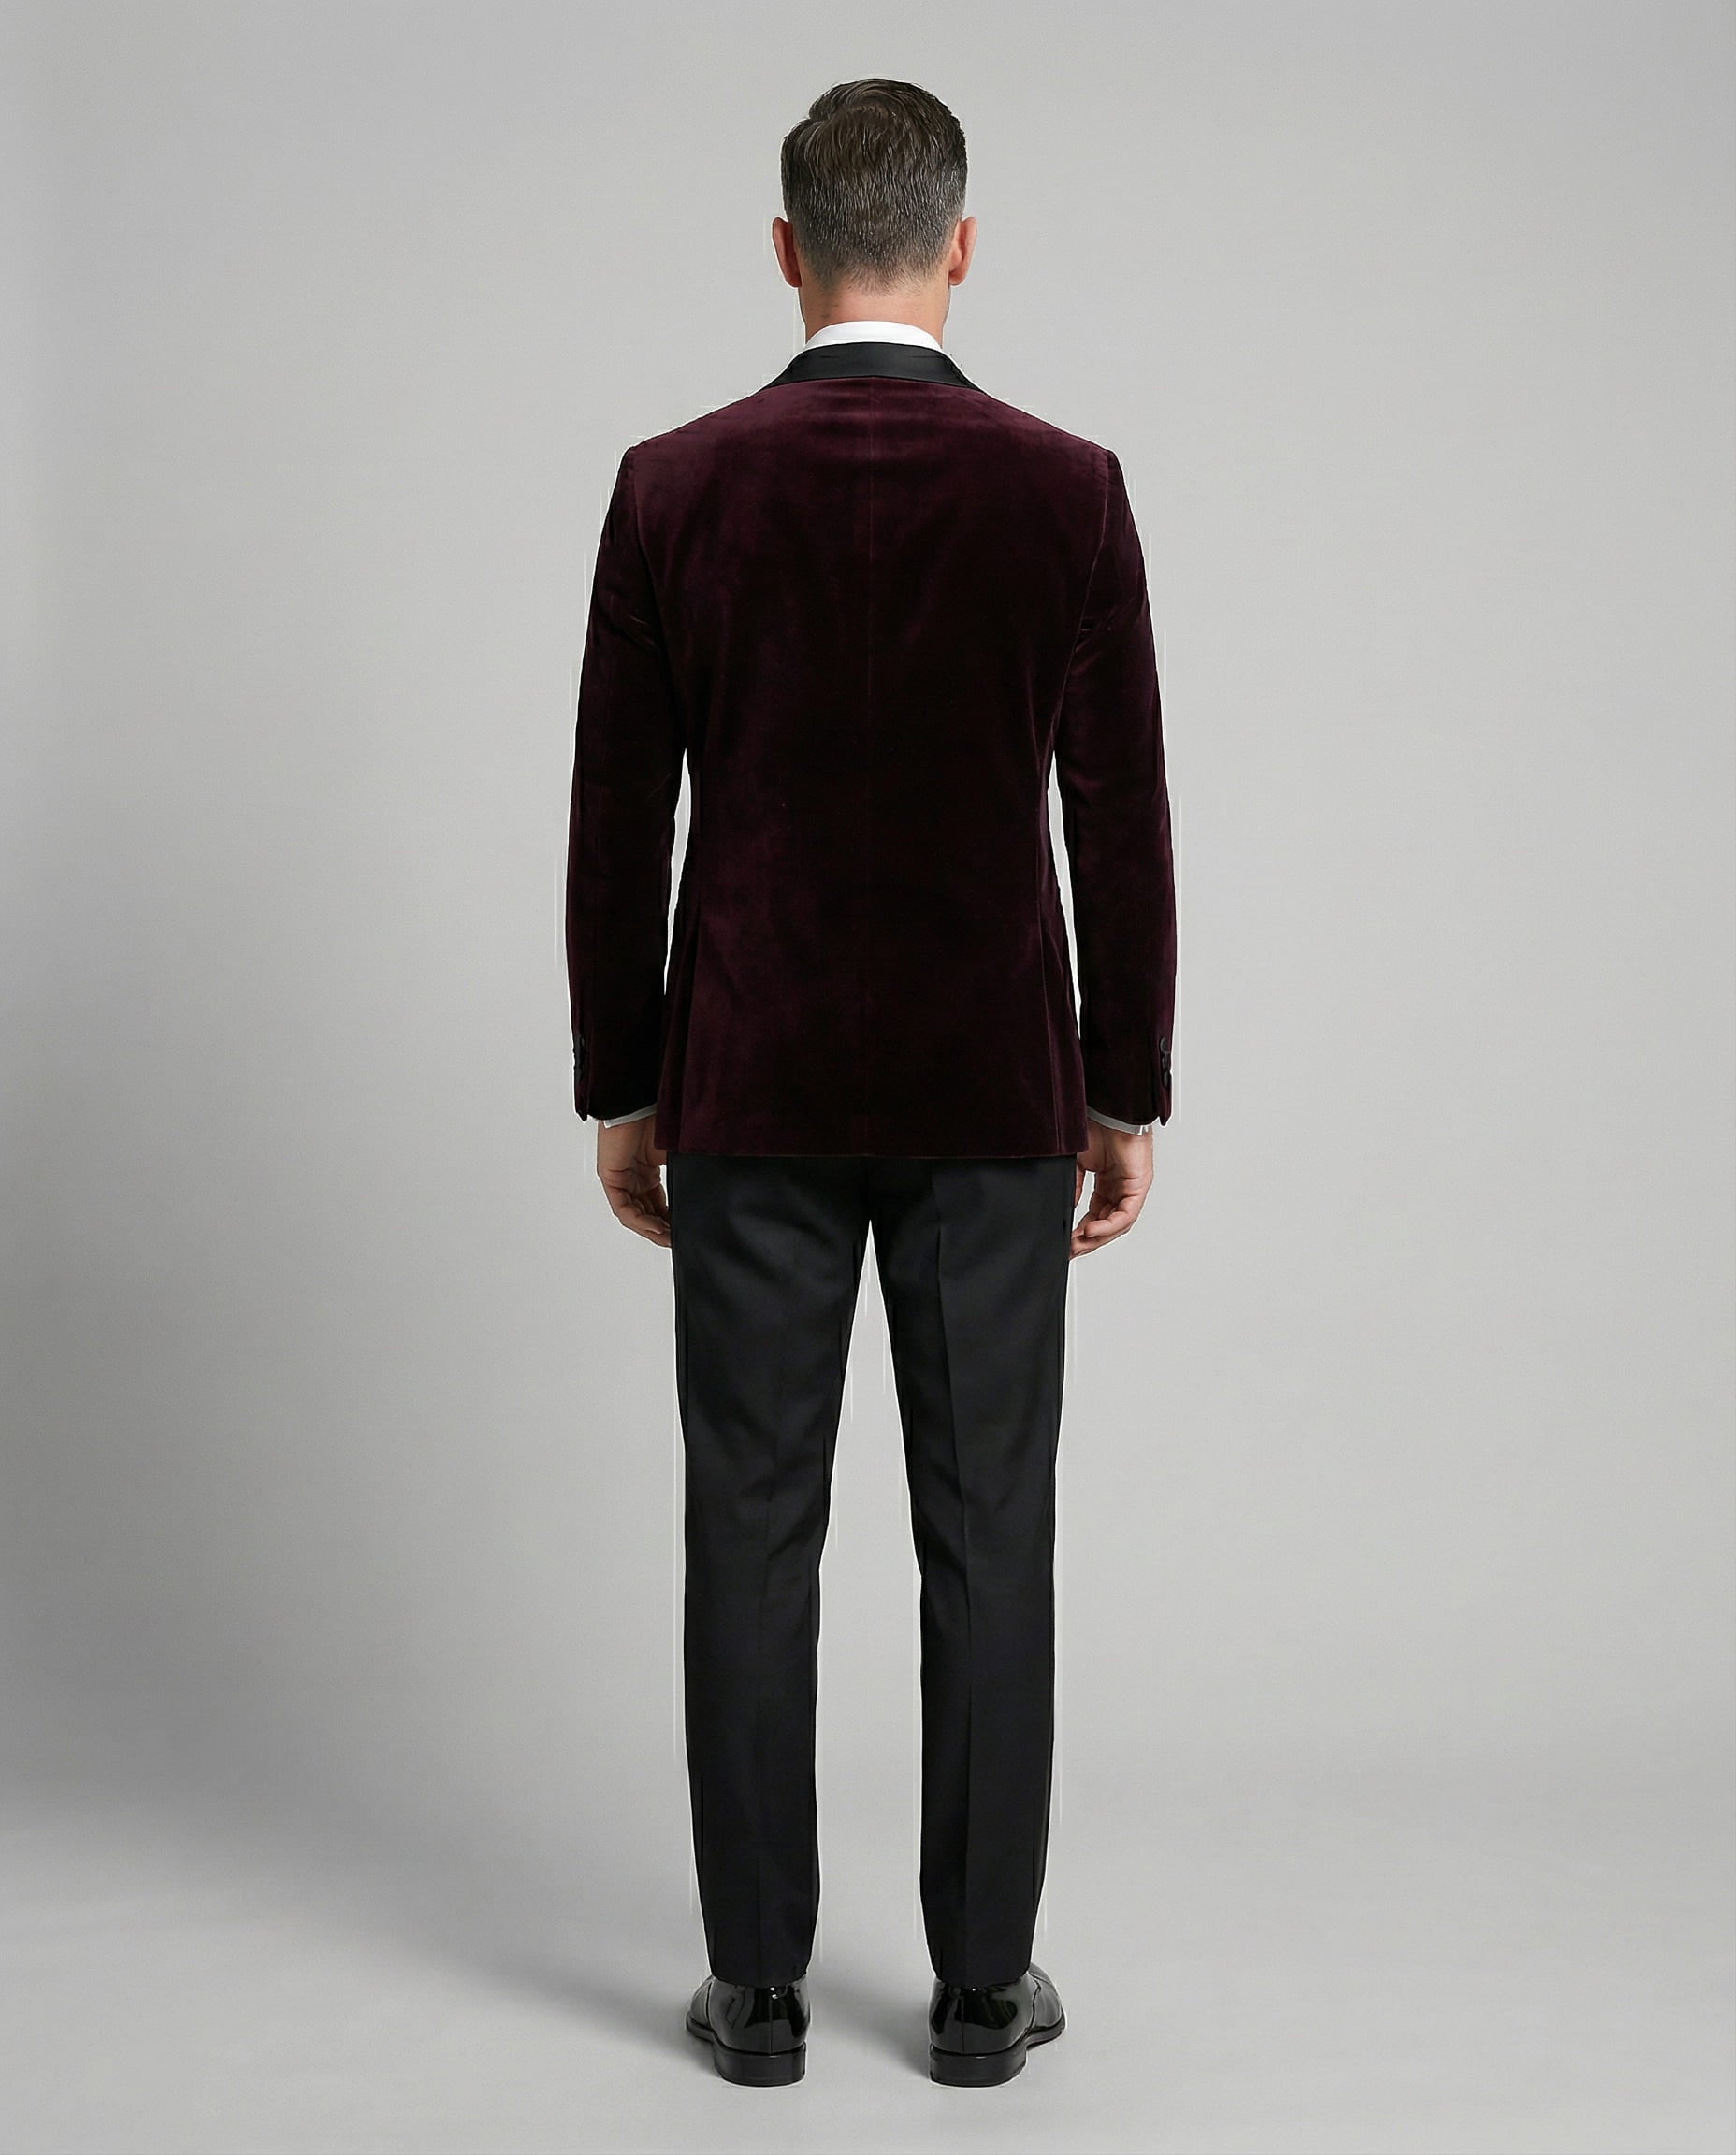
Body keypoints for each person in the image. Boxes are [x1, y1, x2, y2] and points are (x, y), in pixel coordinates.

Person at [565, 77, 1176, 2089]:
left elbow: (616, 822)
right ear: (962, 246)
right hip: (992, 1088)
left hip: (748, 1078)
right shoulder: (1067, 490)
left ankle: (755, 1996)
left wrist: (624, 1082)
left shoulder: (673, 487)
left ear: (785, 250)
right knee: (989, 1530)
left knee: (749, 1530)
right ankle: (984, 1995)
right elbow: (1121, 822)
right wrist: (1123, 1088)